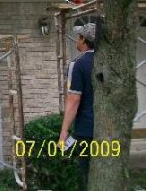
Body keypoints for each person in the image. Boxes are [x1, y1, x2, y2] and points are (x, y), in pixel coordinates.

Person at [59, 22, 95, 191]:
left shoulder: (79, 64)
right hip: (109, 130)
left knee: (87, 175)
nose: (76, 40)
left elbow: (73, 99)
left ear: (83, 39)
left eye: (78, 37)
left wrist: (64, 131)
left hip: (86, 130)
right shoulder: (108, 62)